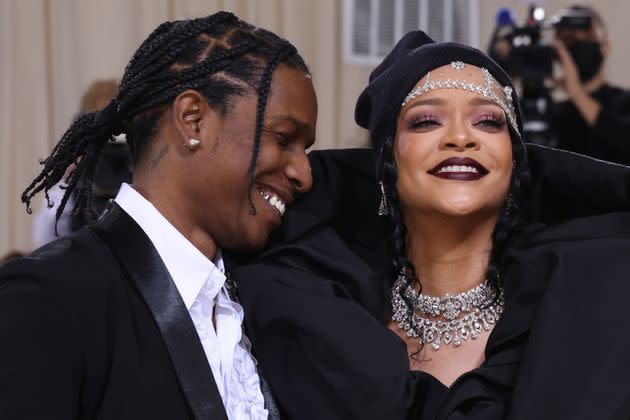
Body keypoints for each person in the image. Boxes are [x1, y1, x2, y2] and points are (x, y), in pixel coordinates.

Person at [229, 31, 630, 419]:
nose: (460, 137)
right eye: (426, 122)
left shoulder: (589, 293)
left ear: (515, 163)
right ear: (387, 163)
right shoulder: (318, 302)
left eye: (488, 121)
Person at [0, 11, 316, 420]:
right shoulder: (46, 298)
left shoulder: (261, 304)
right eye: (284, 138)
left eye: (305, 150)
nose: (304, 174)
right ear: (192, 120)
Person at [32, 79, 132, 247]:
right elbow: (44, 240)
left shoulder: (142, 169)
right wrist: (70, 182)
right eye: (99, 133)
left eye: (115, 134)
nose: (107, 145)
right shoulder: (73, 183)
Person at [551, 5, 630, 165]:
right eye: (569, 40)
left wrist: (577, 94)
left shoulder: (625, 103)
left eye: (587, 39)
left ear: (605, 47)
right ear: (559, 53)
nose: (580, 45)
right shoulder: (550, 113)